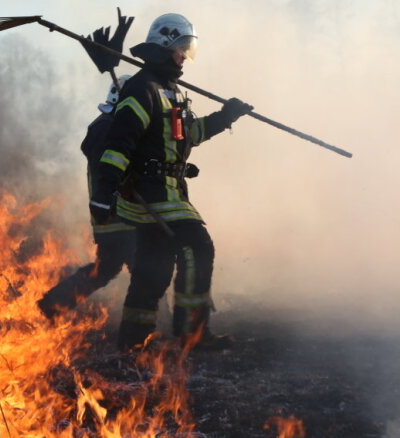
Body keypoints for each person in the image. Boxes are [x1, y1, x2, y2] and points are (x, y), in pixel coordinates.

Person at [89, 13, 253, 350]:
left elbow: (189, 134)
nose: (184, 57)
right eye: (181, 49)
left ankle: (131, 342)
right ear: (164, 45)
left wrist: (226, 116)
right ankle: (193, 335)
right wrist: (103, 193)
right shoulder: (141, 88)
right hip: (153, 193)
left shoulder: (169, 90)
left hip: (168, 191)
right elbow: (119, 144)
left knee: (155, 269)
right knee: (197, 247)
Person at [37, 76, 137, 318]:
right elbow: (112, 167)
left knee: (107, 269)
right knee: (145, 272)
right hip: (119, 215)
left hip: (118, 216)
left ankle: (54, 304)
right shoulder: (107, 128)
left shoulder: (110, 126)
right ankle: (152, 328)